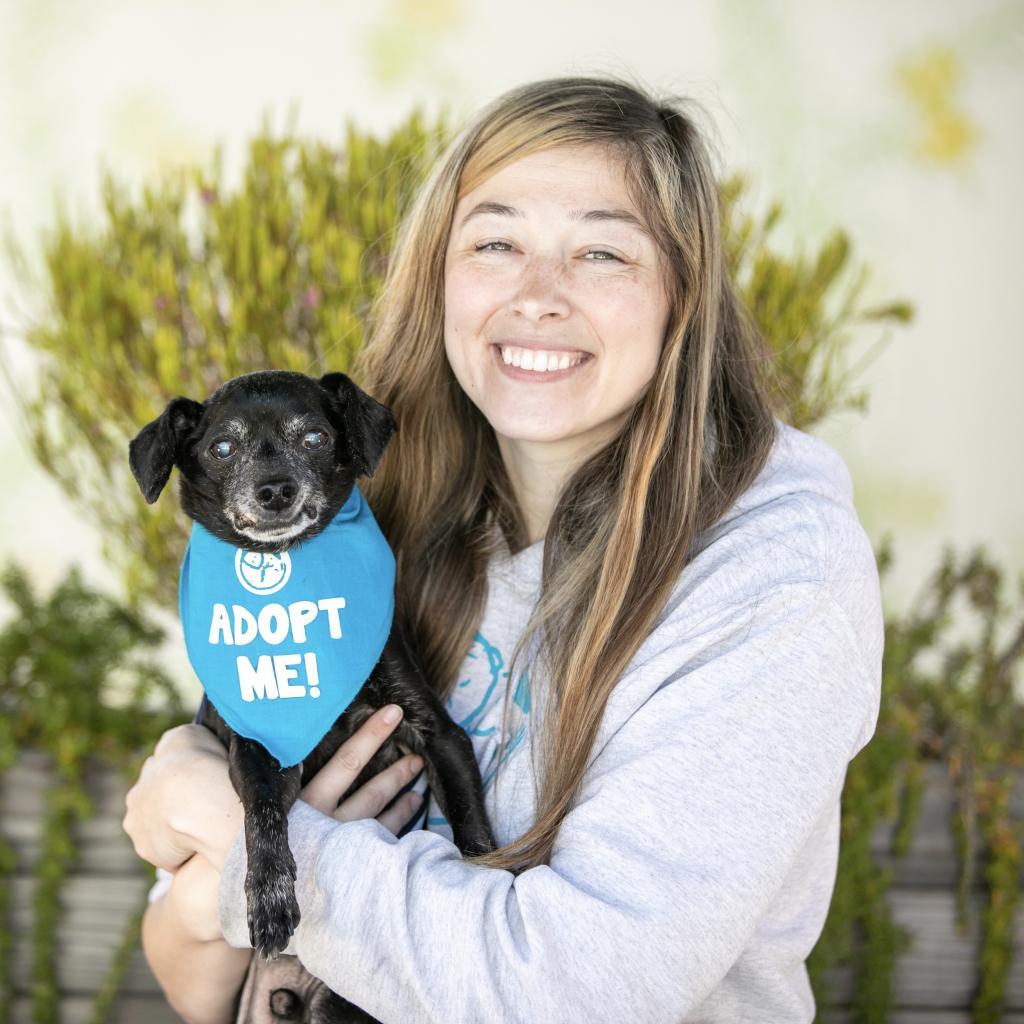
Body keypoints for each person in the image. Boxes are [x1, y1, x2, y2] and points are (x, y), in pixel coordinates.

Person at [122, 76, 884, 1024]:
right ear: (440, 274)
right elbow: (190, 972)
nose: (538, 296)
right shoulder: (359, 521)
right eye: (496, 242)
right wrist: (208, 877)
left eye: (601, 251)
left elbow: (580, 992)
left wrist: (236, 832)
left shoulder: (770, 572)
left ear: (682, 295)